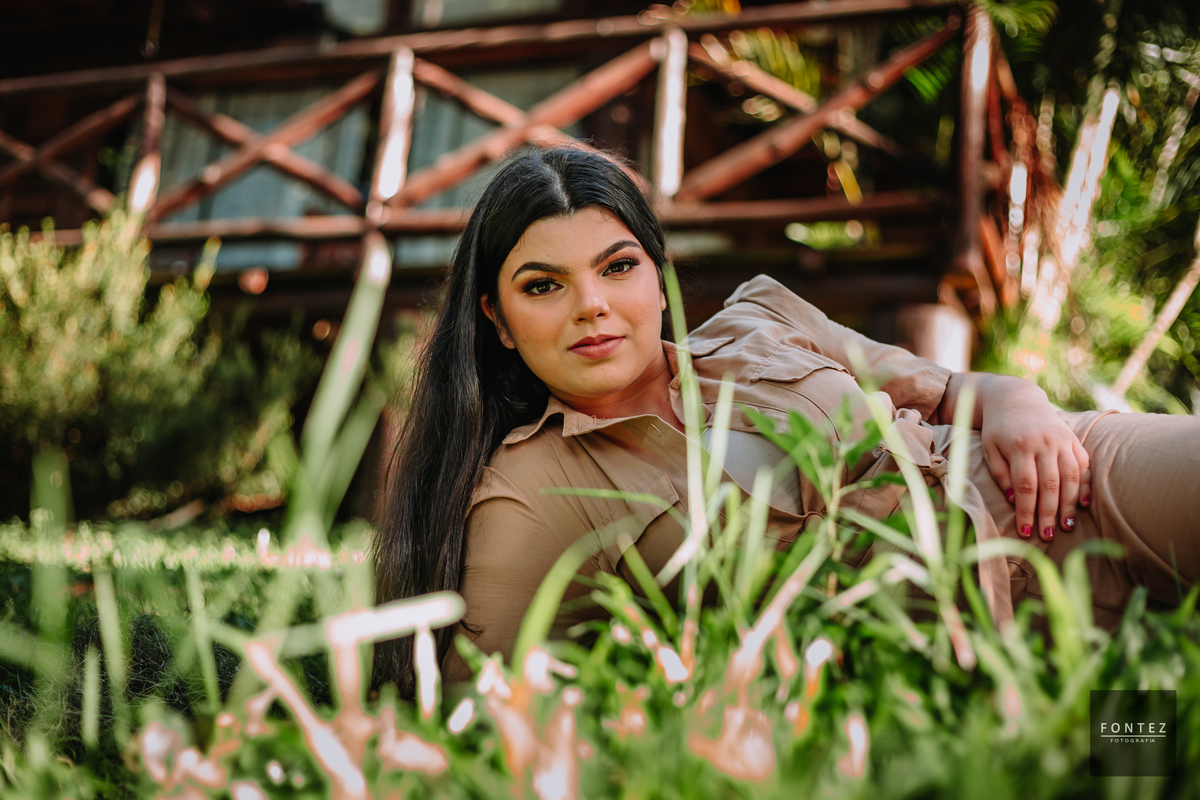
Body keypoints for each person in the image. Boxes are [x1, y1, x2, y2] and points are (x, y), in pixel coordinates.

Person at [373, 147, 1200, 696]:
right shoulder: (532, 490)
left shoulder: (760, 318)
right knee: (1141, 748)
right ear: (497, 319)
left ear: (658, 275)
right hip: (968, 641)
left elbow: (949, 390)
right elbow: (486, 709)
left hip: (1066, 484)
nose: (592, 305)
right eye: (543, 285)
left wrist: (1021, 404)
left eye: (617, 266)